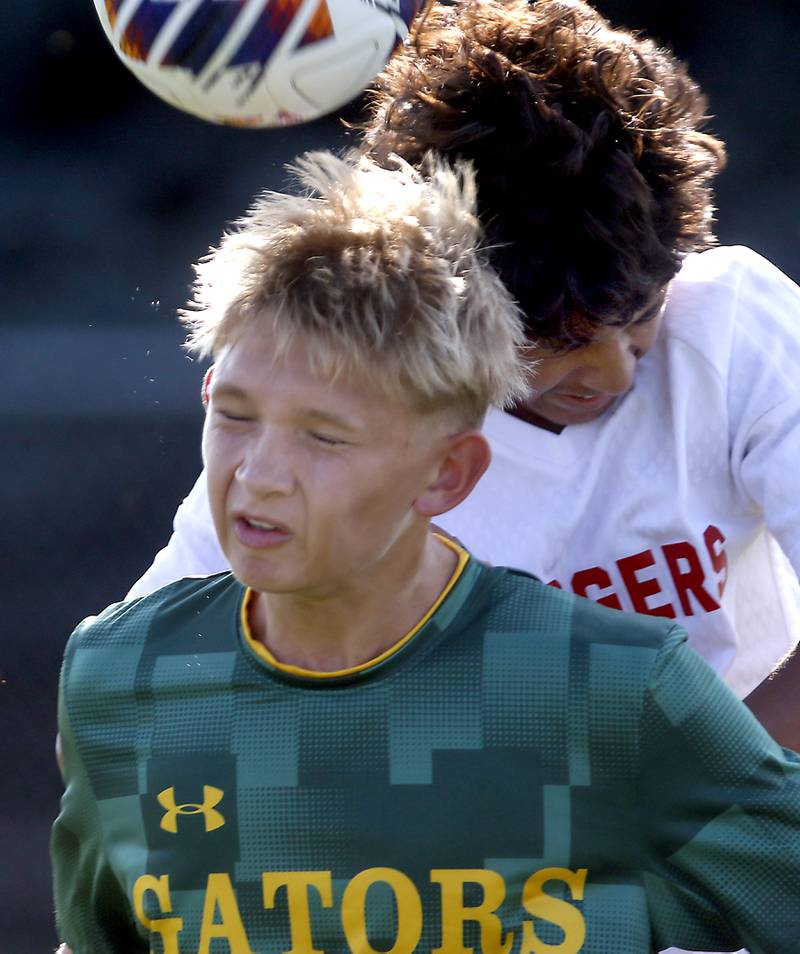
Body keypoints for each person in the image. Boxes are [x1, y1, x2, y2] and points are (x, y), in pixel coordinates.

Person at [52, 149, 800, 954]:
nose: (260, 476)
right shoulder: (115, 678)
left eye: (325, 435)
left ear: (452, 471)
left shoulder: (620, 689)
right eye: (234, 414)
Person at [127, 0, 800, 754]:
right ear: (441, 296)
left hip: (724, 843)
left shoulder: (738, 323)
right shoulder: (348, 403)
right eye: (557, 339)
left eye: (641, 310)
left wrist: (665, 803)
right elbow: (117, 718)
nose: (613, 369)